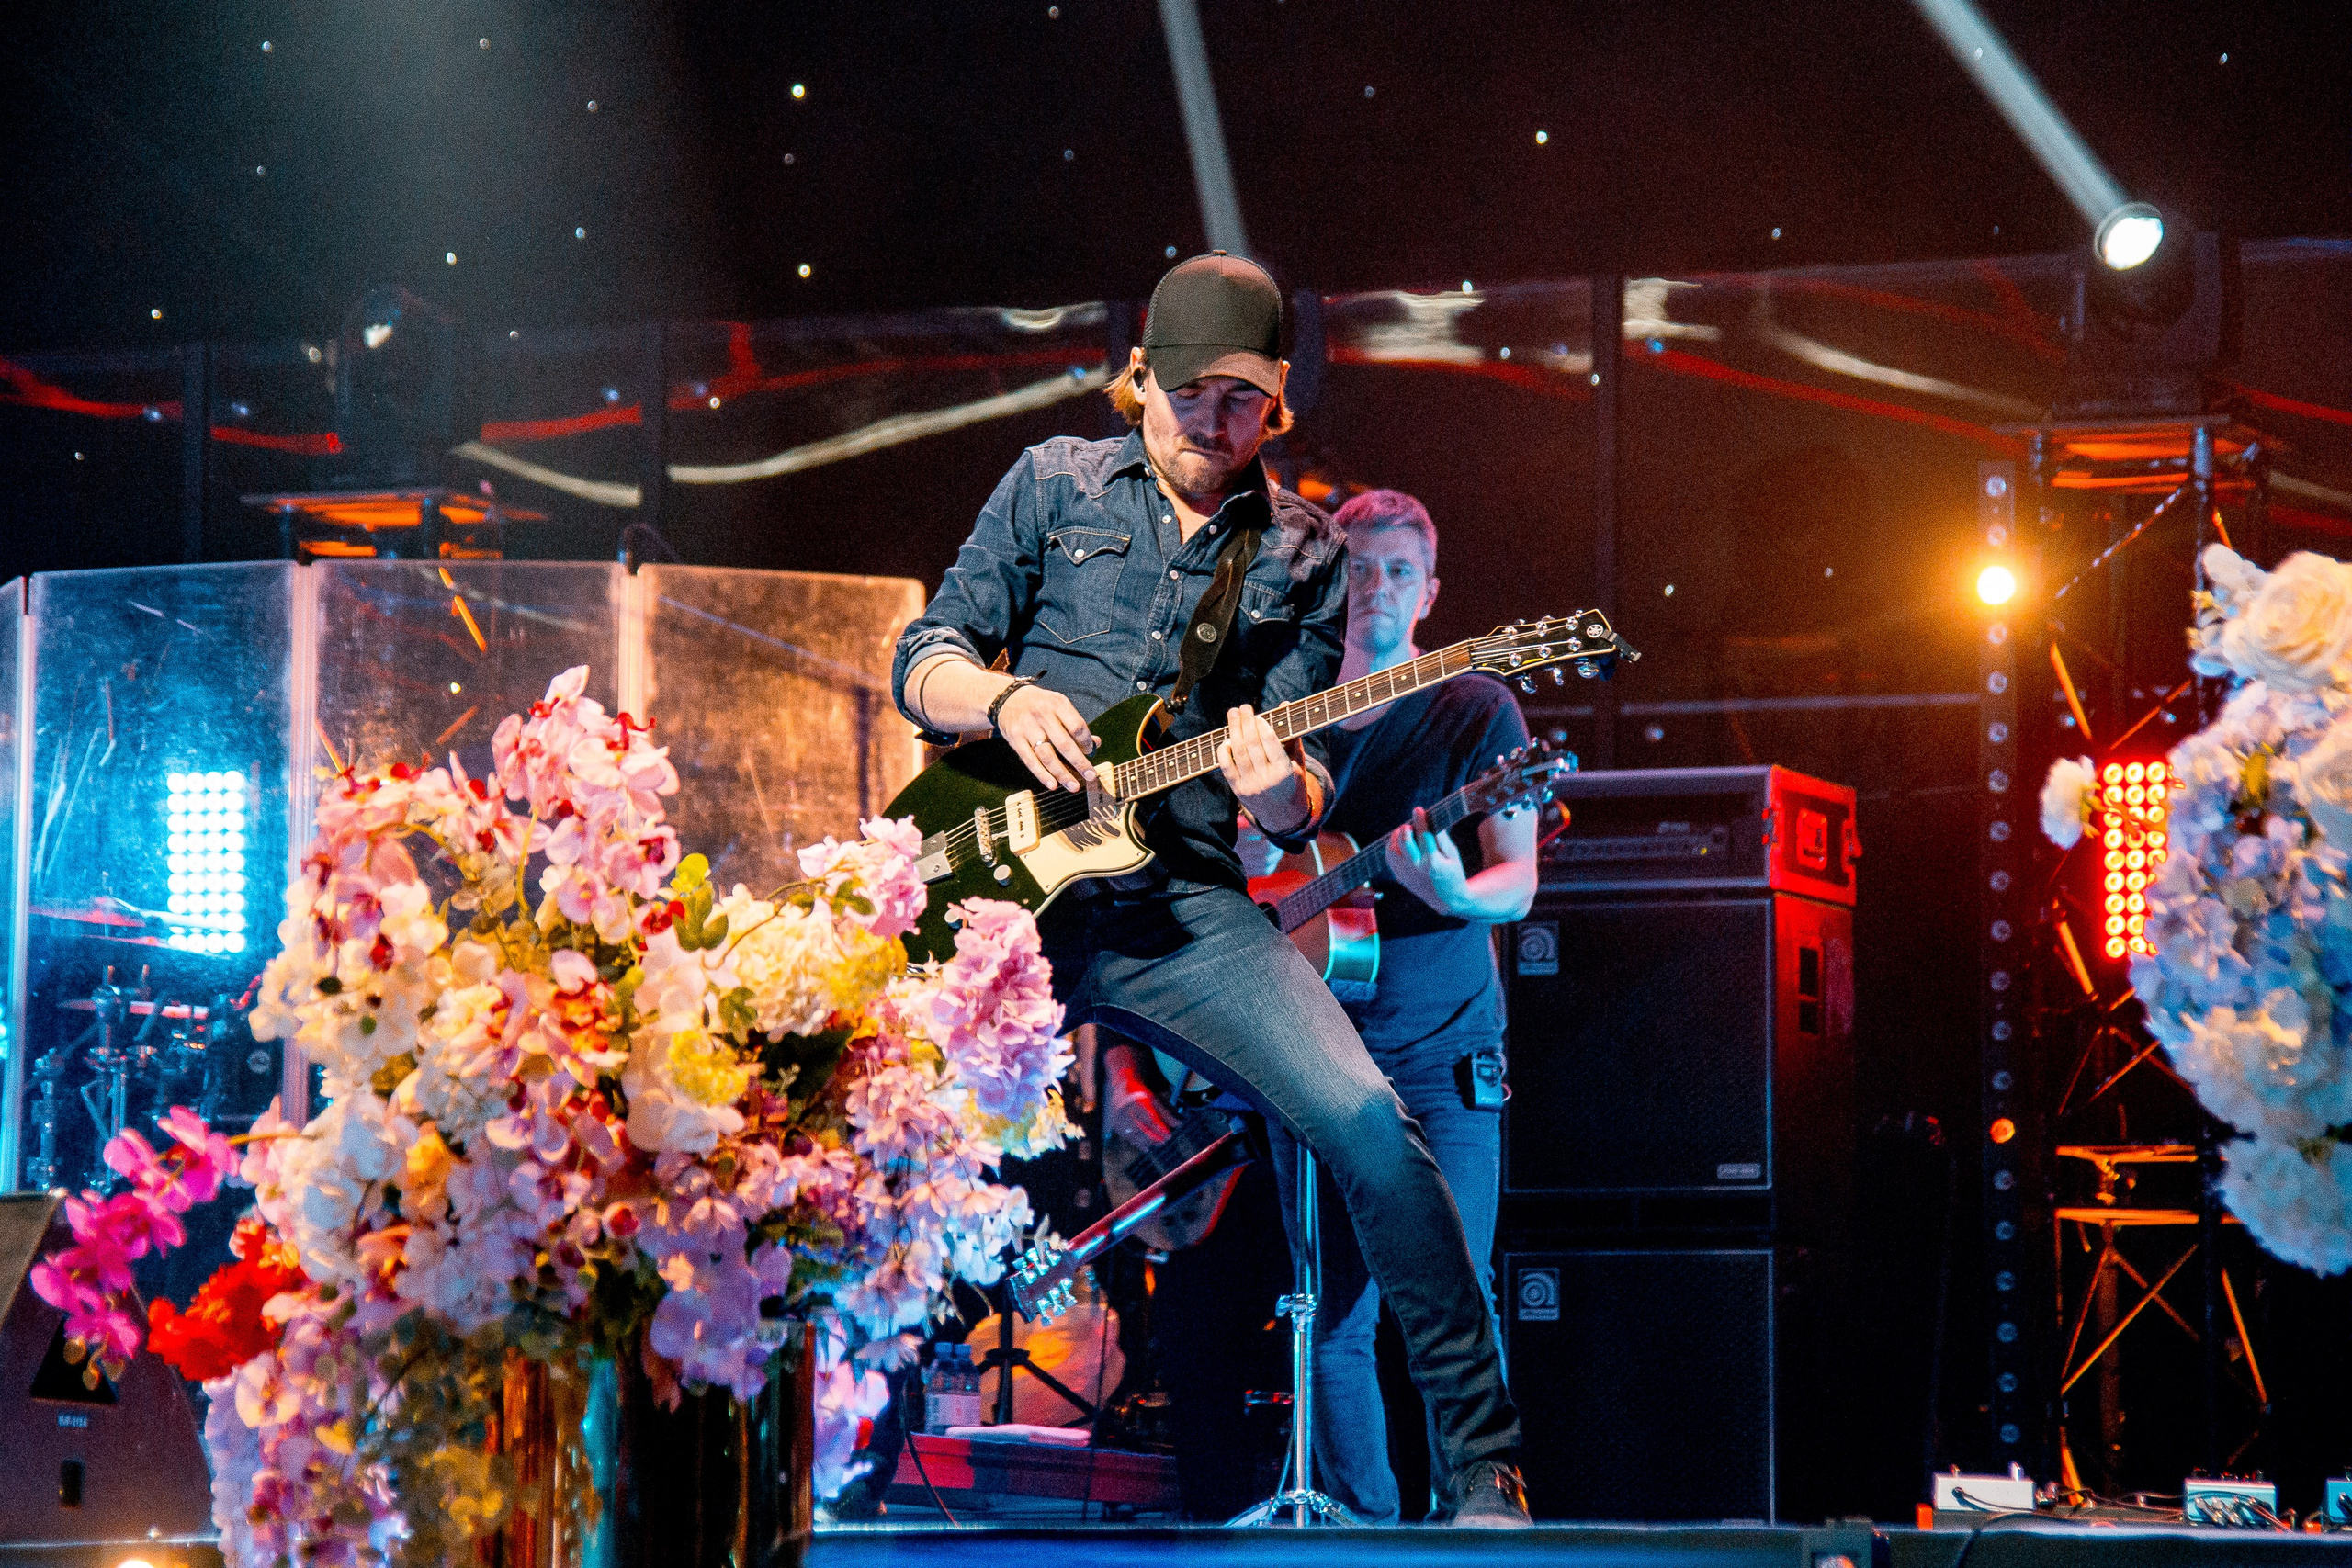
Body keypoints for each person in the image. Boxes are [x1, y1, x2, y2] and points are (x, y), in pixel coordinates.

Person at [890, 253, 1529, 1527]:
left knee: (1368, 1122)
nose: (1211, 420)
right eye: (1191, 391)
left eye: (1241, 398)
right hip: (1001, 888)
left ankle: (1482, 1465)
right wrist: (1006, 696)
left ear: (1275, 403)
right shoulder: (1052, 481)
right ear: (1143, 379)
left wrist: (1276, 786)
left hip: (1178, 900)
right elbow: (928, 656)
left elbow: (1297, 795)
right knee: (858, 1115)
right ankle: (813, 1430)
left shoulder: (1300, 549)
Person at [1267, 489, 1538, 1523]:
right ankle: (1364, 1536)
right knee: (1328, 1319)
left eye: (1395, 572)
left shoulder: (1478, 711)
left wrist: (1459, 895)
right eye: (1359, 569)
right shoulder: (1286, 710)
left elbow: (1514, 877)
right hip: (1315, 1047)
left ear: (1430, 594)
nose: (1374, 589)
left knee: (1452, 1293)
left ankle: (1478, 1521)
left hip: (1440, 1051)